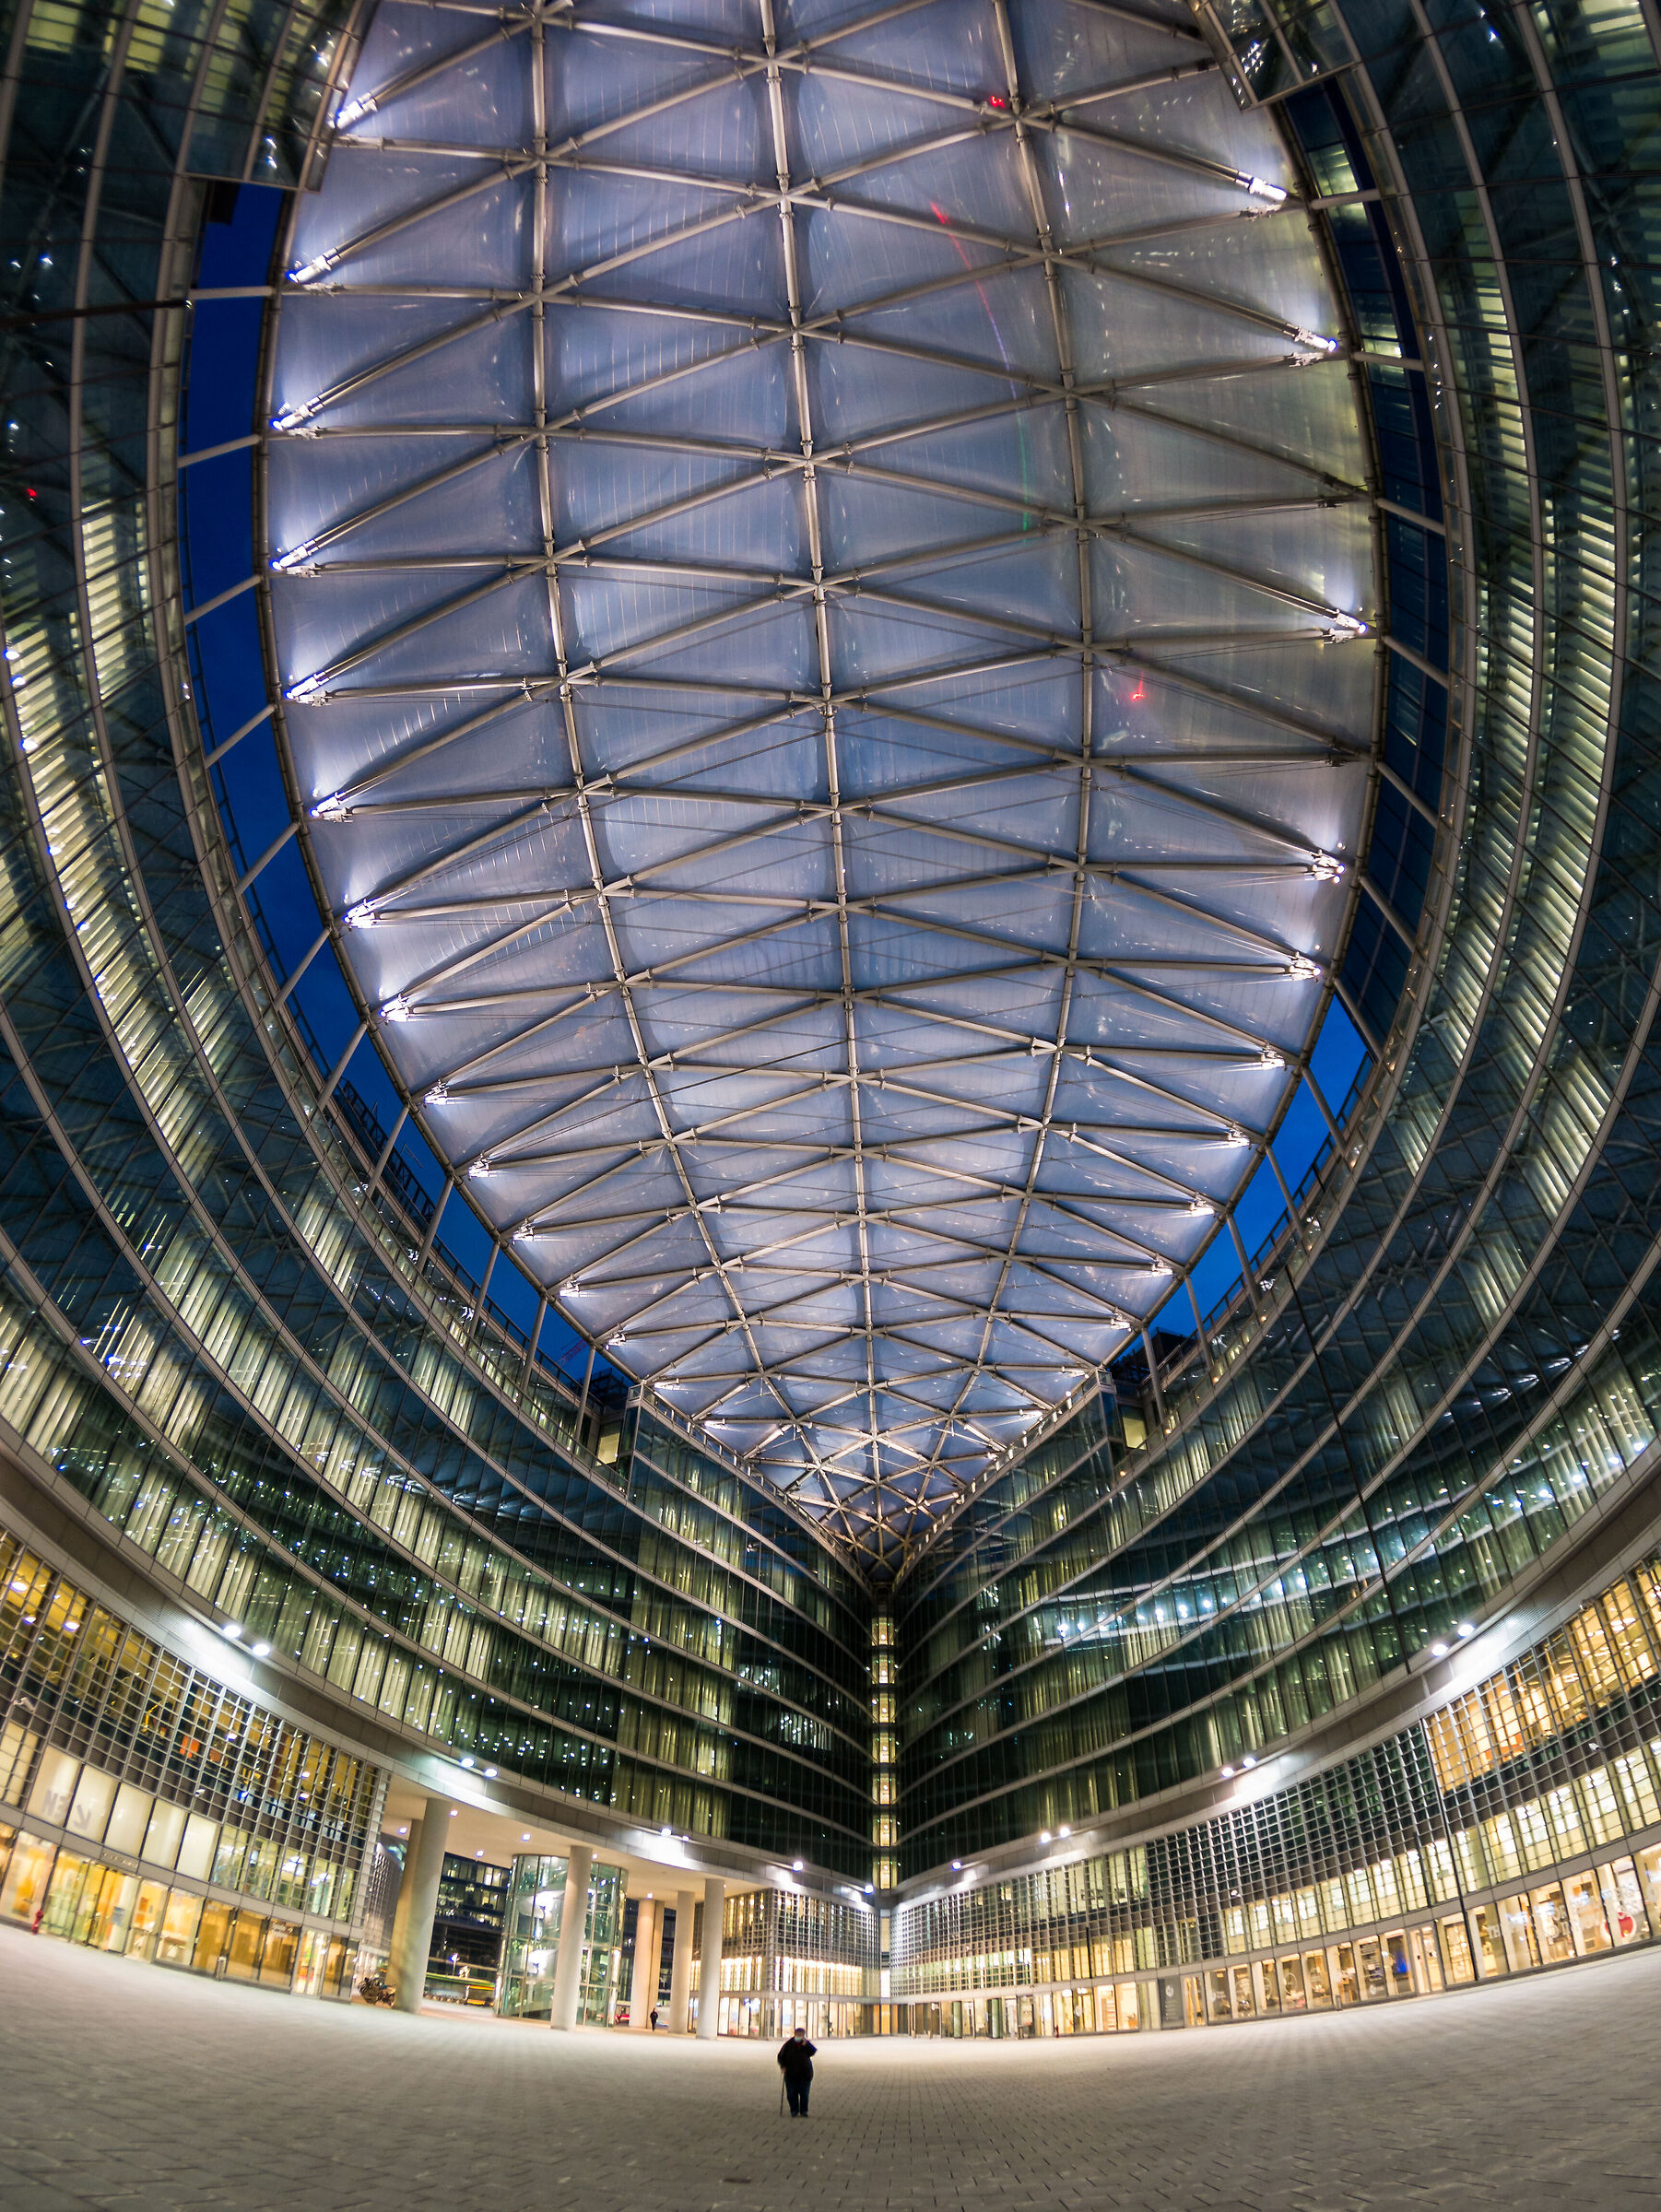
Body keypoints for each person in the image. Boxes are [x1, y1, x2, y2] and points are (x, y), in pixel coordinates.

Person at [776, 2024, 816, 2118]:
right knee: (791, 2093)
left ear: (803, 2035)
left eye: (801, 2035)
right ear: (794, 2035)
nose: (799, 2037)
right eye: (797, 2035)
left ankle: (804, 2111)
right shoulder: (788, 2044)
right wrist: (783, 2066)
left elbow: (813, 2052)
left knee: (804, 2094)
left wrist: (806, 2045)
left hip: (805, 2073)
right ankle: (794, 2110)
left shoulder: (806, 2044)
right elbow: (781, 2056)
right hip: (791, 2073)